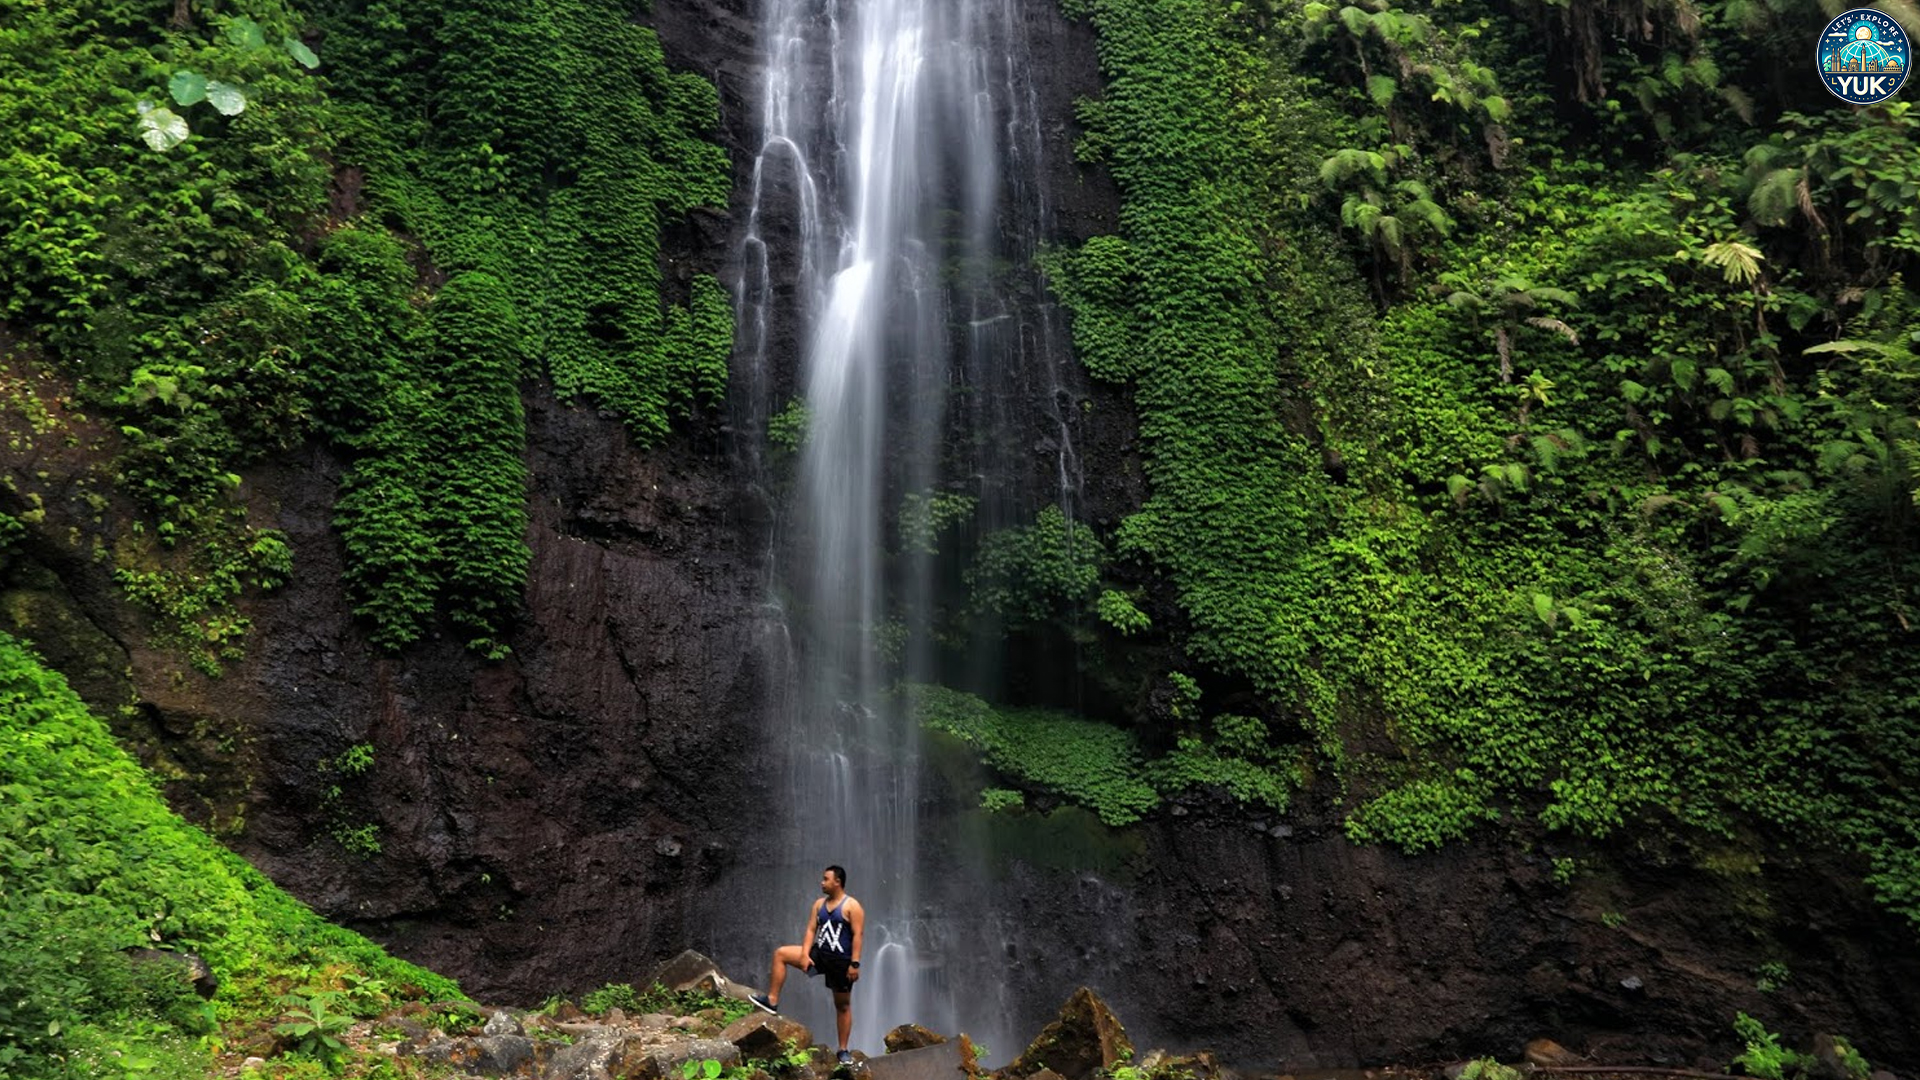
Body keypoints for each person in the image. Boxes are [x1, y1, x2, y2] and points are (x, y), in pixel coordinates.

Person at [750, 865, 864, 1066]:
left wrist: (854, 963)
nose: (822, 882)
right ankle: (772, 1000)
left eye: (826, 879)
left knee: (843, 1006)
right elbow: (811, 929)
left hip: (840, 961)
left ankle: (843, 1050)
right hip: (818, 954)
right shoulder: (819, 904)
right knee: (781, 954)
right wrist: (804, 954)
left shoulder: (852, 906)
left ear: (837, 882)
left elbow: (858, 935)